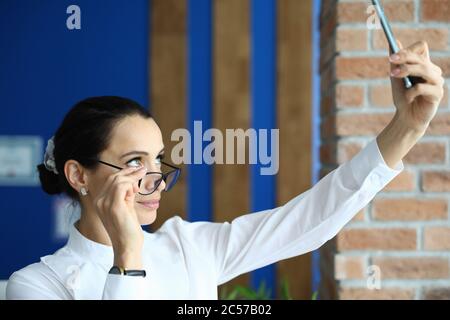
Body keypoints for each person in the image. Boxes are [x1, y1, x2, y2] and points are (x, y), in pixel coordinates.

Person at [6, 41, 445, 299]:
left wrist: (404, 129)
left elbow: (309, 220)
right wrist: (127, 258)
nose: (155, 179)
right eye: (134, 162)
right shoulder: (36, 285)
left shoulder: (190, 246)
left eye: (158, 160)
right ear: (79, 175)